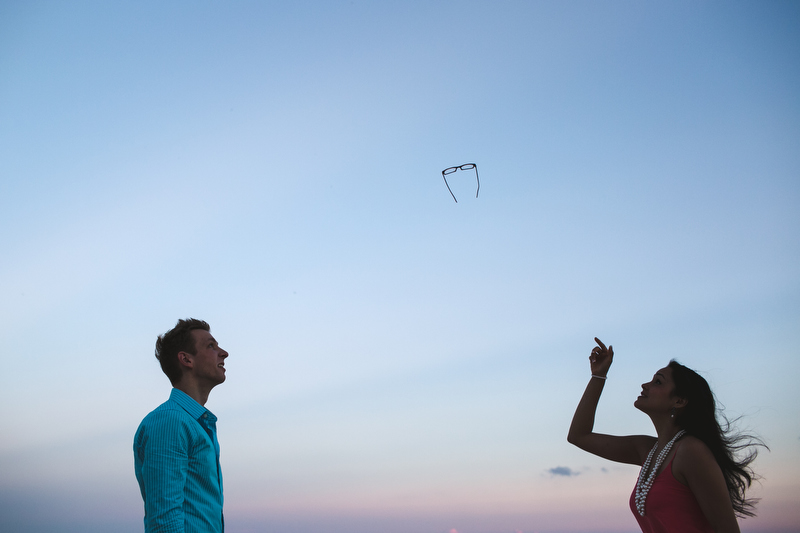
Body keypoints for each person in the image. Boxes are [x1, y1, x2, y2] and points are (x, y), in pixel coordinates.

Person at [567, 338, 763, 533]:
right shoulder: (647, 450)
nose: (645, 385)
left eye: (658, 382)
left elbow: (726, 528)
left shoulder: (691, 451)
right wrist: (598, 376)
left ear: (679, 401)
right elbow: (578, 436)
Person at [134, 318, 229, 532]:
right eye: (211, 346)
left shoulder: (197, 424)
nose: (224, 353)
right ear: (186, 359)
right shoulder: (171, 421)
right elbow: (164, 521)